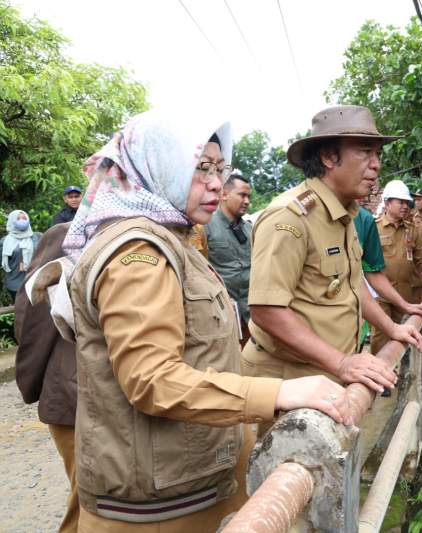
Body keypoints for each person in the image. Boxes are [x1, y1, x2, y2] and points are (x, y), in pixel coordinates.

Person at [57, 110, 352, 532]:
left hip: (186, 487)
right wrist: (280, 391)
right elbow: (153, 380)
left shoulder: (170, 238)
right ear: (158, 167)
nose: (216, 182)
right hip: (161, 511)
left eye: (219, 168)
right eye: (200, 168)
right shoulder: (138, 254)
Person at [243, 105, 422, 406]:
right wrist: (342, 363)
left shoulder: (345, 215)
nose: (376, 165)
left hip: (326, 374)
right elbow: (266, 310)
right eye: (366, 152)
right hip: (287, 382)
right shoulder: (289, 218)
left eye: (378, 154)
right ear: (329, 157)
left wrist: (393, 328)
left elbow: (354, 286)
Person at [14, 222, 78, 533]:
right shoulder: (70, 233)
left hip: (107, 398)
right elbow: (32, 312)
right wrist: (33, 380)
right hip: (72, 393)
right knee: (88, 503)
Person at [371, 181, 422, 354]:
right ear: (387, 202)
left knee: (406, 333)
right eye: (400, 202)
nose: (405, 206)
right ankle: (377, 375)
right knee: (380, 336)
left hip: (406, 295)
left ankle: (400, 377)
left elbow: (421, 258)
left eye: (407, 203)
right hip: (381, 295)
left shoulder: (411, 229)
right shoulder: (373, 228)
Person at [205, 172, 252, 345]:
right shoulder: (205, 227)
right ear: (224, 194)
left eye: (249, 196)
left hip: (251, 314)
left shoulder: (250, 230)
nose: (247, 201)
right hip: (221, 314)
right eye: (242, 195)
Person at [2, 210, 39, 300]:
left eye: (24, 218)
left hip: (35, 282)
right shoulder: (5, 241)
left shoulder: (37, 237)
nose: (22, 221)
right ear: (11, 221)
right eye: (18, 219)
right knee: (21, 311)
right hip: (15, 284)